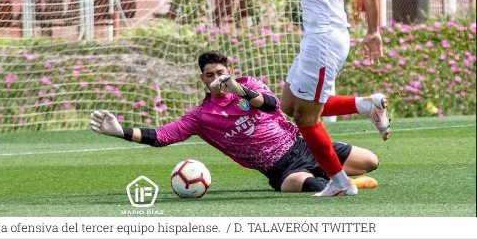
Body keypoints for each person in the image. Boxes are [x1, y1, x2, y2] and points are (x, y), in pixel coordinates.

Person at [236, 0, 389, 196]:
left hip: (323, 40)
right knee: (291, 105)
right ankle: (367, 105)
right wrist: (373, 31)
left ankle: (340, 183)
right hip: (322, 39)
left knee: (307, 119)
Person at [90, 51, 381, 194]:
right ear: (202, 78)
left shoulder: (249, 84)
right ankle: (342, 182)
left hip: (303, 148)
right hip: (280, 169)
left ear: (229, 71)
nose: (214, 77)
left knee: (371, 160)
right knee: (312, 185)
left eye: (219, 72)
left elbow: (271, 105)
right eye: (208, 74)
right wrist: (120, 132)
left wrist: (238, 90)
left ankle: (340, 176)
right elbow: (163, 136)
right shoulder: (200, 116)